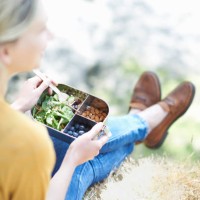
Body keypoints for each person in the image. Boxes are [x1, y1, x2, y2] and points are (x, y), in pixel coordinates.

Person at [0, 0, 195, 200]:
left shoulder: (19, 133)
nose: (51, 35)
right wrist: (71, 161)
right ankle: (144, 122)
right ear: (6, 51)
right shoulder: (28, 141)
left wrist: (18, 106)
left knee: (67, 144)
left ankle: (142, 123)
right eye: (41, 30)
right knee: (79, 163)